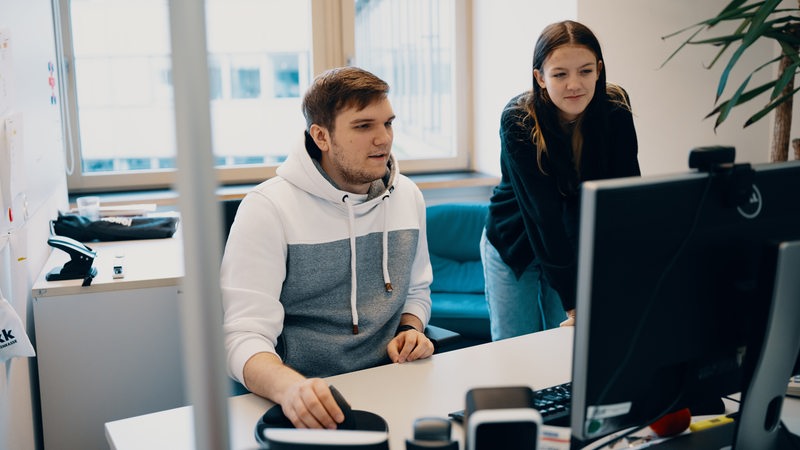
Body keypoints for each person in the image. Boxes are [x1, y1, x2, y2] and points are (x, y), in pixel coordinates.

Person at [221, 66, 435, 429]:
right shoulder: (267, 208)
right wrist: (292, 389)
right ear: (321, 136)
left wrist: (411, 329)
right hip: (302, 398)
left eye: (388, 123)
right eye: (364, 126)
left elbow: (416, 290)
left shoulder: (408, 196)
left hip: (392, 384)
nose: (384, 139)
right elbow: (242, 336)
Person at [482, 20, 640, 341]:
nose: (574, 85)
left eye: (585, 71)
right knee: (516, 352)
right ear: (540, 77)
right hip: (516, 242)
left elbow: (625, 198)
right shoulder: (518, 119)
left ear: (598, 69)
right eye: (559, 74)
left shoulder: (615, 108)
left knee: (565, 350)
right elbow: (544, 214)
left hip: (572, 244)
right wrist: (573, 303)